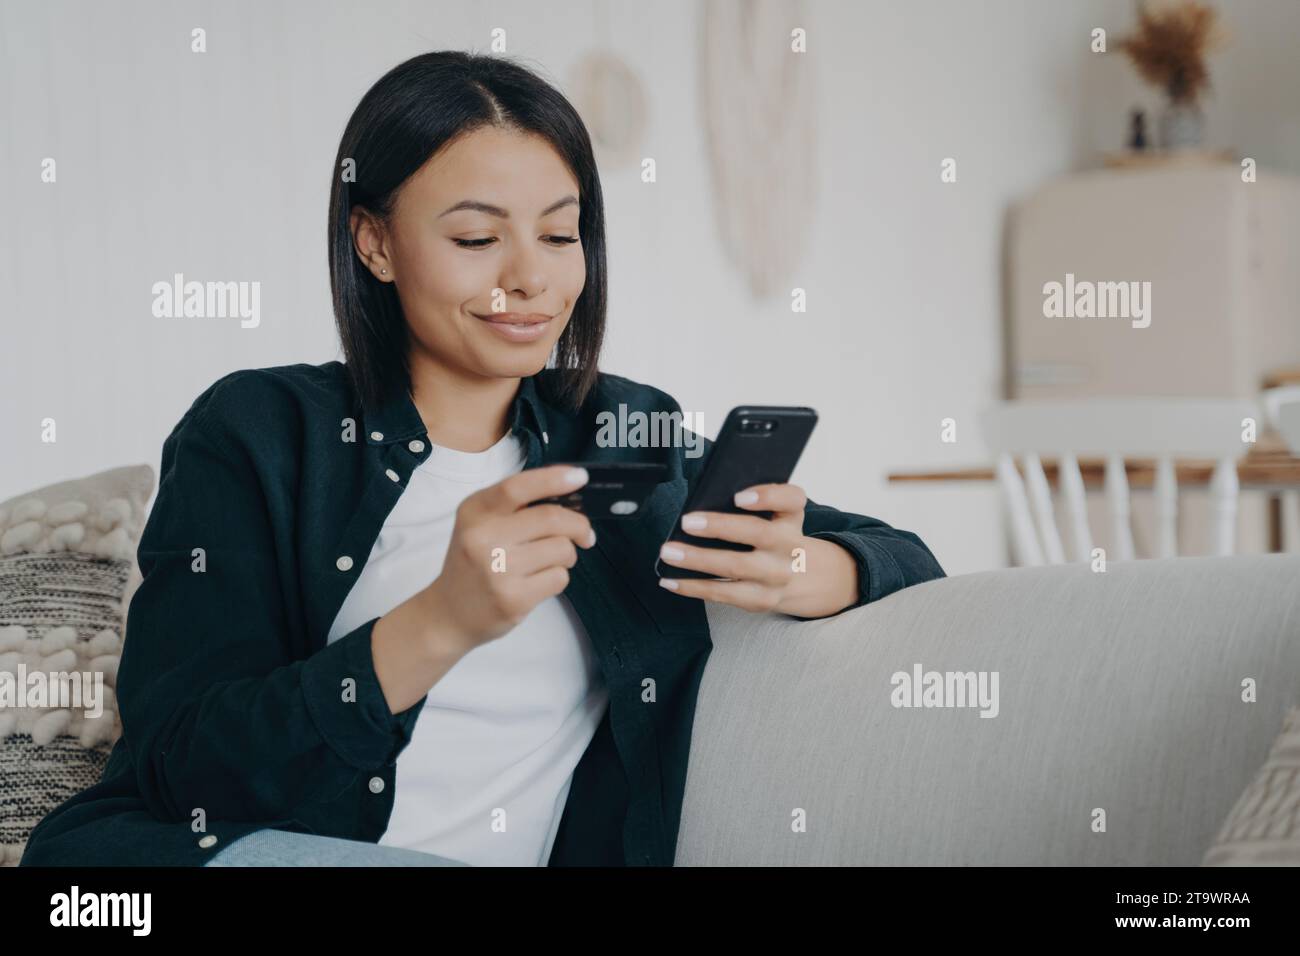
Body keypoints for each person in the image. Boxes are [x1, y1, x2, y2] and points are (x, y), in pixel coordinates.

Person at [21, 51, 945, 869]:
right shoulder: (258, 433)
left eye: (558, 232)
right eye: (475, 238)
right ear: (373, 243)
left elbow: (904, 557)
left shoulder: (622, 431)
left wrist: (804, 567)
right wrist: (442, 621)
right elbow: (185, 768)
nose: (531, 277)